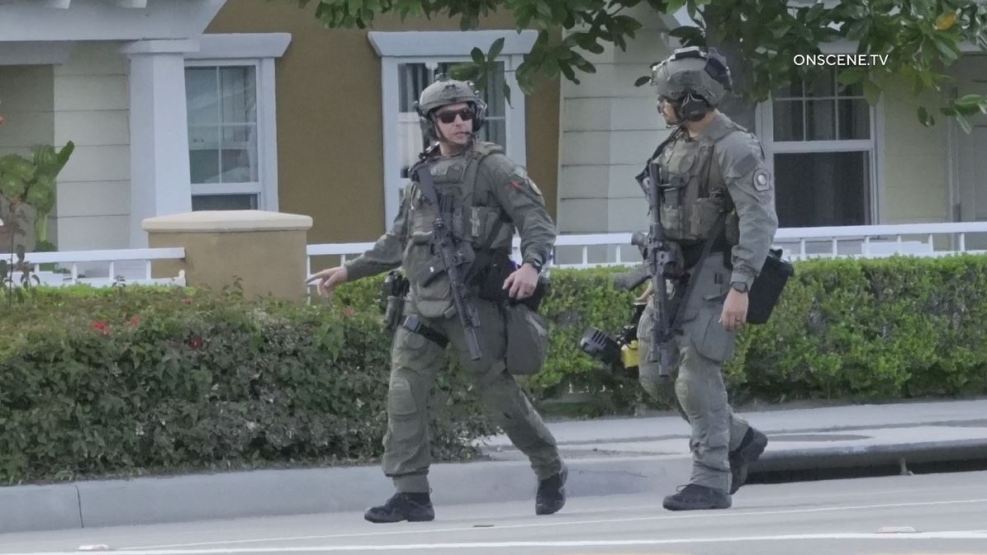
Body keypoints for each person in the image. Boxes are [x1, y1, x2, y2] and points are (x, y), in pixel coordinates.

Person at [307, 76, 567, 523]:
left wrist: (531, 265)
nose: (460, 122)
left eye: (467, 113)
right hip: (424, 300)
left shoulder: (494, 167)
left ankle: (549, 469)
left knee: (499, 394)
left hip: (474, 303)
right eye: (449, 116)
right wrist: (349, 270)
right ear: (432, 123)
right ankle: (411, 494)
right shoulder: (421, 174)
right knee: (404, 392)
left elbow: (537, 222)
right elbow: (398, 240)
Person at [635, 46, 777, 511]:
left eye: (668, 98)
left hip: (716, 275)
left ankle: (711, 478)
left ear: (692, 99)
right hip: (672, 275)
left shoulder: (735, 147)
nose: (661, 106)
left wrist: (741, 286)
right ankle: (738, 439)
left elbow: (759, 221)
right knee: (656, 374)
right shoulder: (677, 142)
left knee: (697, 377)